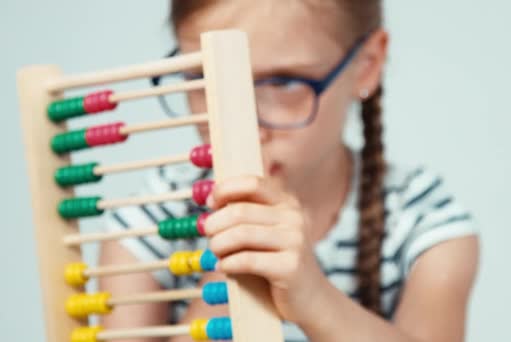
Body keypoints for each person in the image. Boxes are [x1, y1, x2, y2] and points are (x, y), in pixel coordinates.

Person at [100, 1, 479, 341]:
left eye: (282, 82)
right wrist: (232, 272)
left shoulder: (422, 222)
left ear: (366, 66)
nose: (245, 125)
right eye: (205, 78)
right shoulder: (152, 218)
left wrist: (314, 298)